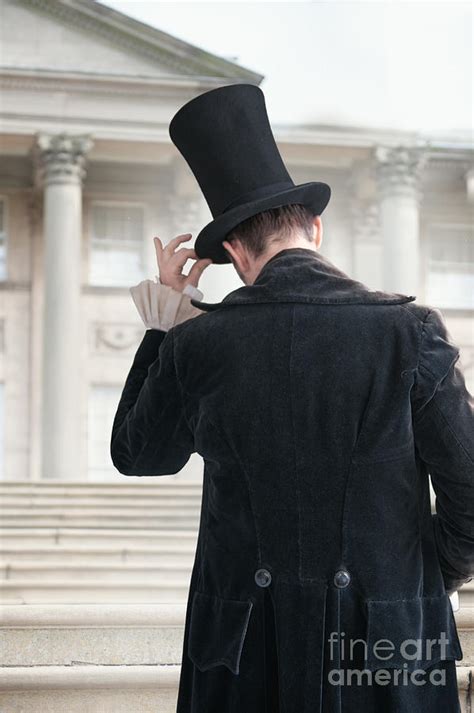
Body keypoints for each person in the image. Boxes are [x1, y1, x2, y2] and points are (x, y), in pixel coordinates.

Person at [110, 85, 474, 713]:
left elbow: (139, 456)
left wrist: (163, 324)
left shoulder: (197, 344)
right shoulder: (408, 334)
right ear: (315, 227)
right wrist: (418, 578)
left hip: (242, 647)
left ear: (231, 252)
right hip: (388, 650)